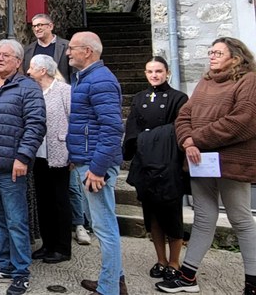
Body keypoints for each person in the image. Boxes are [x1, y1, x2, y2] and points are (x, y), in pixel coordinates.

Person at [157, 37, 256, 295]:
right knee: (203, 218)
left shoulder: (248, 81)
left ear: (235, 58)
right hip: (200, 161)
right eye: (210, 51)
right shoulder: (206, 82)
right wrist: (186, 141)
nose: (211, 56)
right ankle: (188, 277)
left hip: (230, 162)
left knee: (241, 220)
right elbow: (185, 115)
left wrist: (195, 139)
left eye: (218, 52)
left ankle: (253, 282)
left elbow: (243, 120)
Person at [0, 40, 46, 294]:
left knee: (16, 221)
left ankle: (21, 271)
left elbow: (36, 125)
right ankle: (3, 265)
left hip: (10, 167)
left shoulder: (27, 87)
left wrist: (23, 157)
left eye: (5, 55)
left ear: (18, 61)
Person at [66, 31, 126, 295]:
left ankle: (109, 288)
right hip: (87, 162)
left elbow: (112, 129)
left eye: (72, 48)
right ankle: (115, 280)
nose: (68, 52)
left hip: (95, 166)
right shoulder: (88, 78)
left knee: (104, 227)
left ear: (88, 51)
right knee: (103, 223)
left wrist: (97, 168)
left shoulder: (100, 80)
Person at [121, 56, 189, 281]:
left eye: (158, 71)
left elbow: (179, 128)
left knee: (172, 215)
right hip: (145, 164)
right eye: (150, 71)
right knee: (152, 217)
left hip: (168, 163)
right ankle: (160, 259)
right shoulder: (140, 98)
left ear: (167, 72)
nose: (154, 75)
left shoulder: (179, 98)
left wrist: (154, 138)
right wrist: (137, 144)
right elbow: (133, 127)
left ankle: (174, 261)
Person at [27, 54, 73, 265]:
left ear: (42, 70)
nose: (28, 72)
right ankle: (47, 244)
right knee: (43, 201)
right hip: (38, 156)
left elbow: (73, 121)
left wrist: (73, 152)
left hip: (59, 153)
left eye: (32, 68)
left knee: (59, 201)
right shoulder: (33, 92)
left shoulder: (64, 90)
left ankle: (62, 247)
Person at [22, 14, 71, 82]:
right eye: (34, 26)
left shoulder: (66, 46)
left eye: (40, 25)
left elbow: (74, 73)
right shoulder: (28, 50)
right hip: (35, 91)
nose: (36, 29)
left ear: (50, 26)